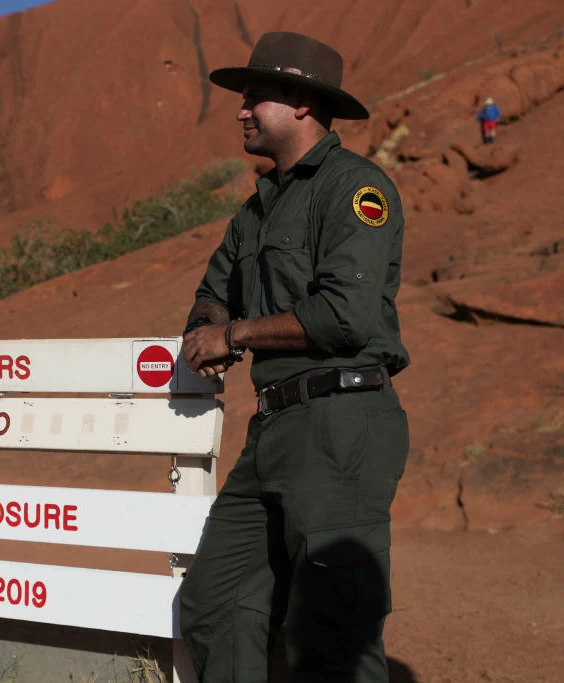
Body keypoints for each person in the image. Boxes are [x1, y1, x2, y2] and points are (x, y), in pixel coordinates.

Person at [177, 32, 410, 682]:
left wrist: (237, 336)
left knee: (332, 633)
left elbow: (347, 315)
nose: (240, 109)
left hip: (341, 423)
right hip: (274, 427)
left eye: (255, 96)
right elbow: (211, 294)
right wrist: (208, 324)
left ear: (303, 102)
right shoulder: (254, 214)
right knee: (214, 602)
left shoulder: (357, 189)